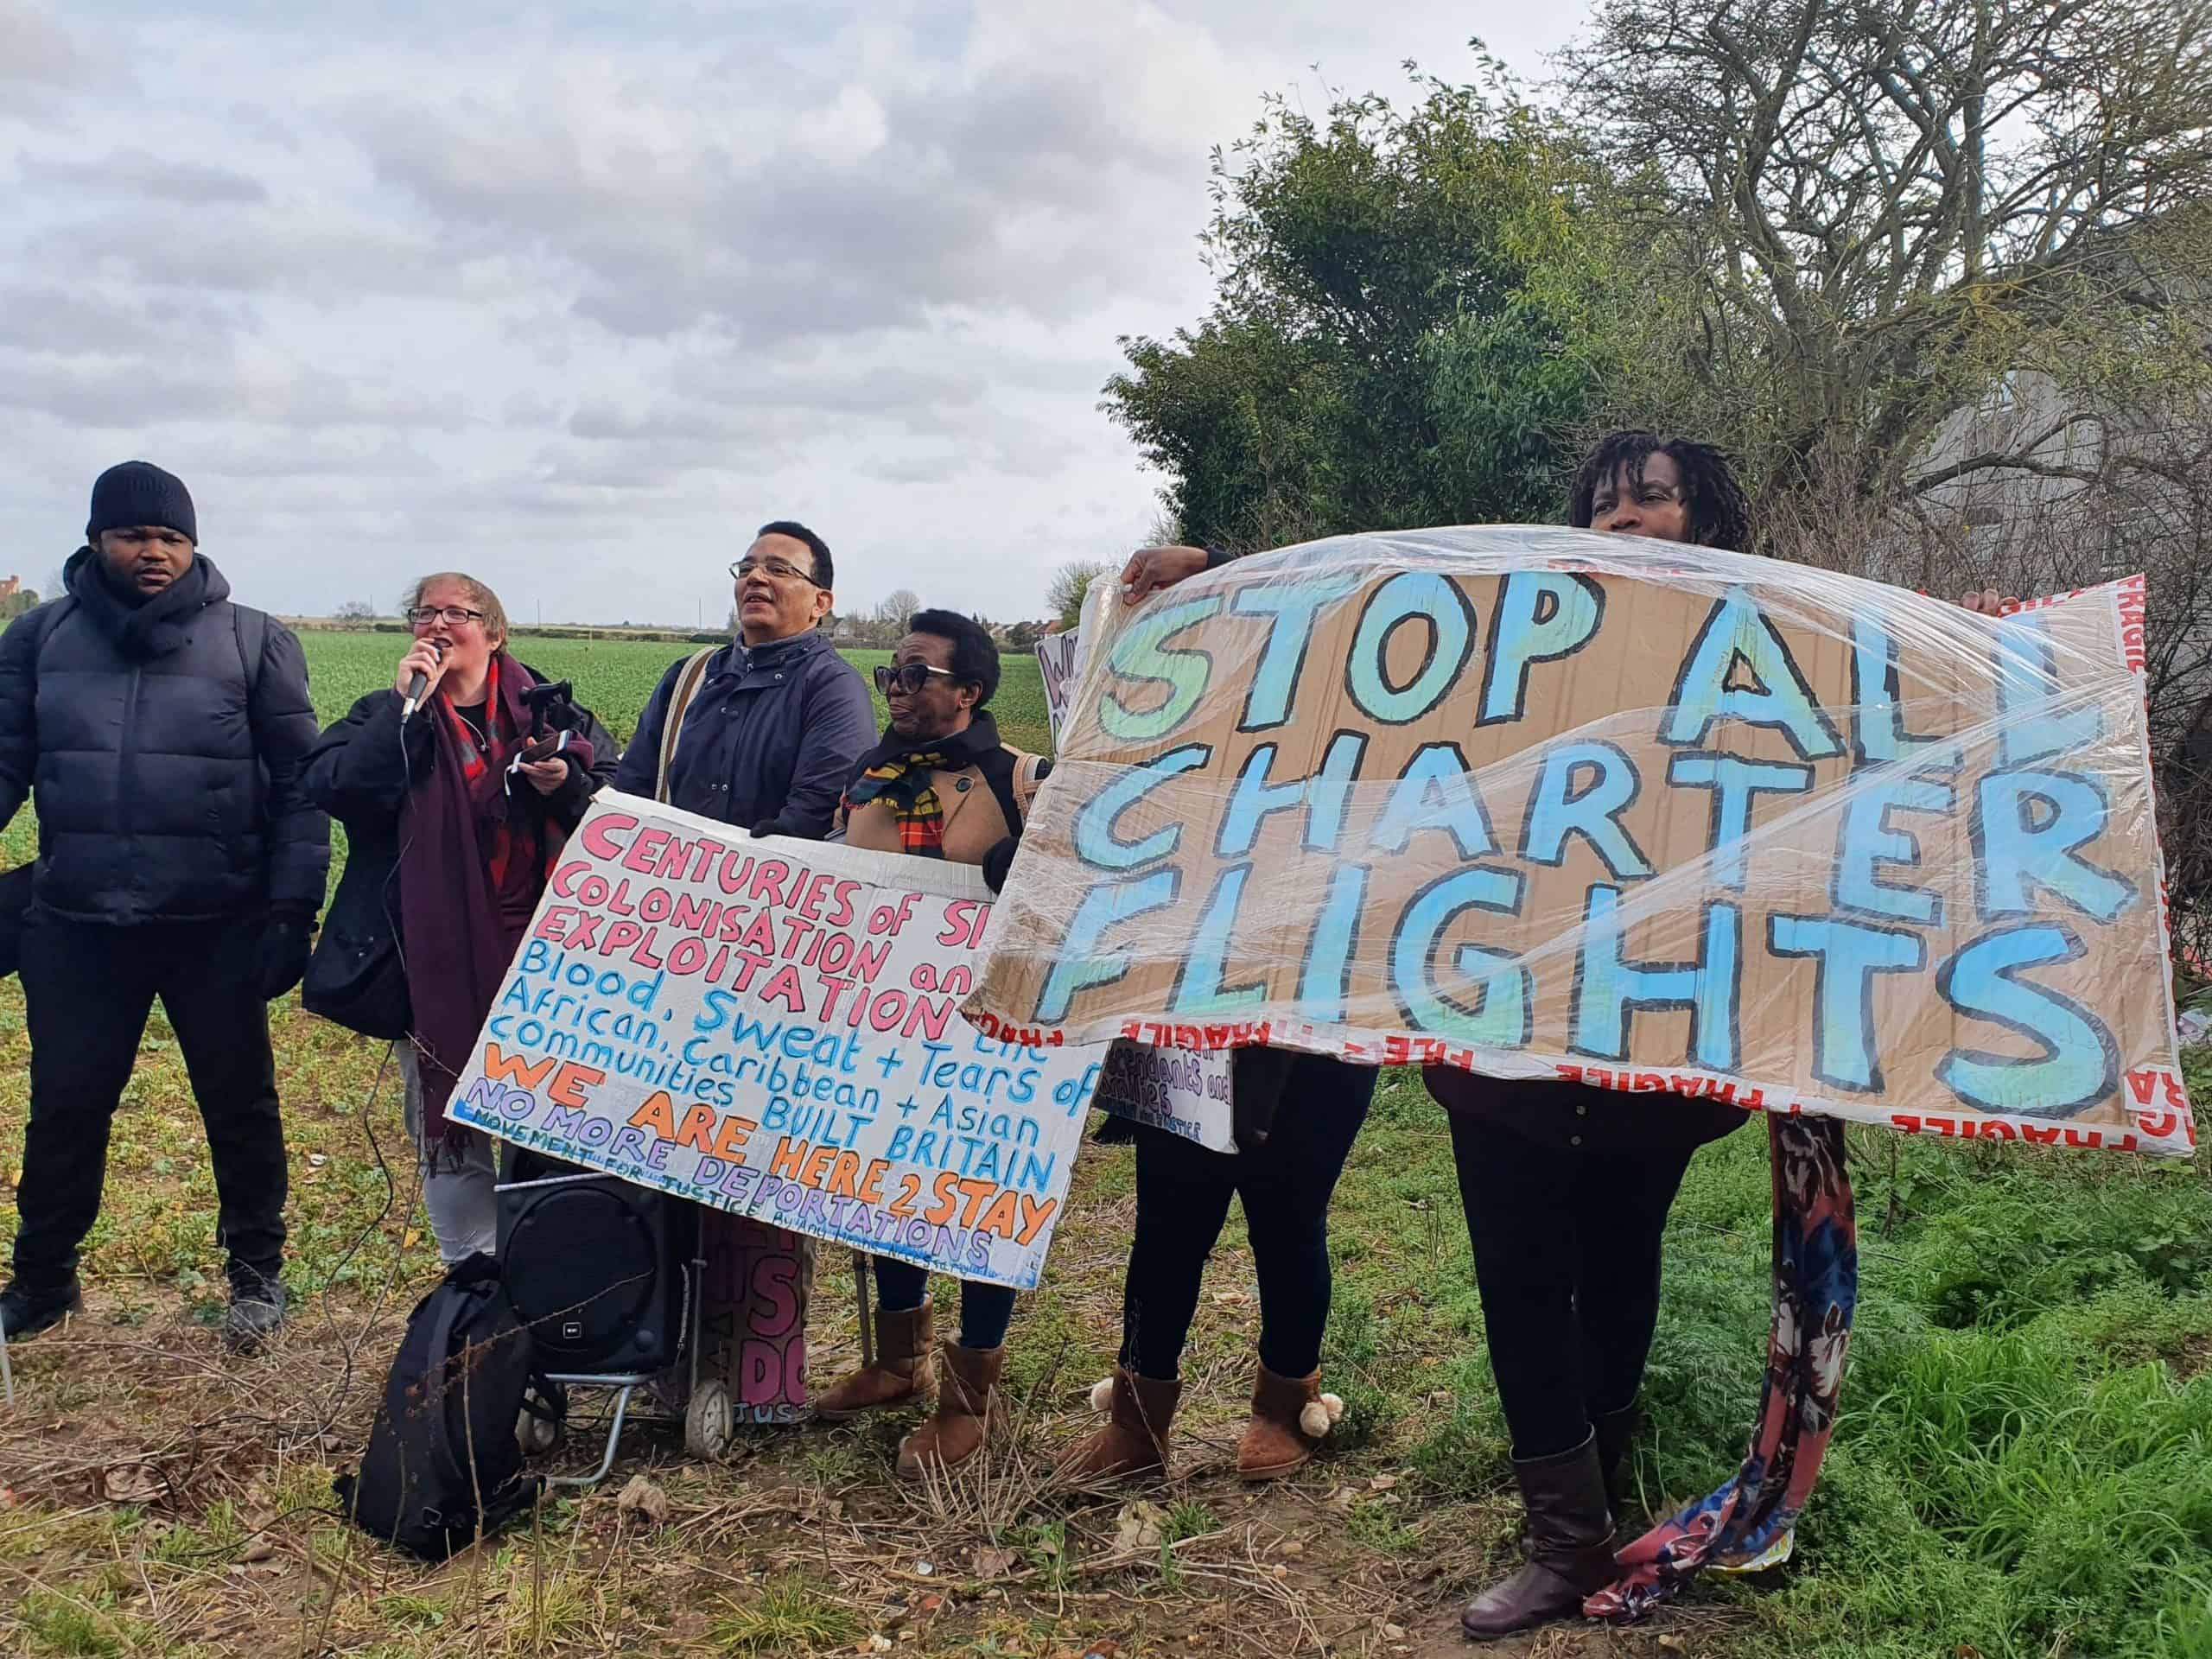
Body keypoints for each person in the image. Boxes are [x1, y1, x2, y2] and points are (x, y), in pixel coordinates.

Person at [1058, 549, 1379, 1486]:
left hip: (1317, 1023)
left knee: (1289, 1216)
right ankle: (1139, 1417)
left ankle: (1285, 1403)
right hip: (1189, 1019)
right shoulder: (1168, 745)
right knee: (1167, 1219)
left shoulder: (1366, 746)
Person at [0, 462, 328, 1349]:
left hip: (215, 924)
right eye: (134, 535)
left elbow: (303, 785)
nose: (154, 552)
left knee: (240, 1107)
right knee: (66, 1107)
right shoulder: (35, 640)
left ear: (193, 544)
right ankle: (42, 1282)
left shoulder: (253, 640)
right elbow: (4, 764)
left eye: (171, 537)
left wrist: (291, 910)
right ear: (97, 539)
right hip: (75, 920)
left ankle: (257, 1277)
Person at [300, 575, 618, 1264]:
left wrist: (569, 785)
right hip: (436, 954)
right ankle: (473, 1281)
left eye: (458, 613)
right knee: (450, 1126)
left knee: (546, 1124)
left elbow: (619, 813)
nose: (438, 624)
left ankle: (545, 1274)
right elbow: (337, 787)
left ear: (495, 633)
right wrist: (399, 710)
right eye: (425, 612)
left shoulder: (554, 715)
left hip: (543, 956)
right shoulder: (387, 713)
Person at [805, 609, 1050, 1477]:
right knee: (881, 1177)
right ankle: (896, 1360)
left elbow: (1076, 890)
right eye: (891, 675)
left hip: (987, 1035)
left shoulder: (1022, 780)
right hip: (877, 1026)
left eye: (917, 674)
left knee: (978, 1194)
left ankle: (968, 1396)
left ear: (969, 690)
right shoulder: (868, 778)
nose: (899, 688)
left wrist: (1020, 867)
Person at [613, 522, 874, 835]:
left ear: (820, 603)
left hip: (771, 878)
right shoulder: (689, 676)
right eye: (746, 568)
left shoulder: (833, 688)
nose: (755, 577)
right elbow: (632, 787)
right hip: (669, 876)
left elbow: (813, 814)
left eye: (778, 569)